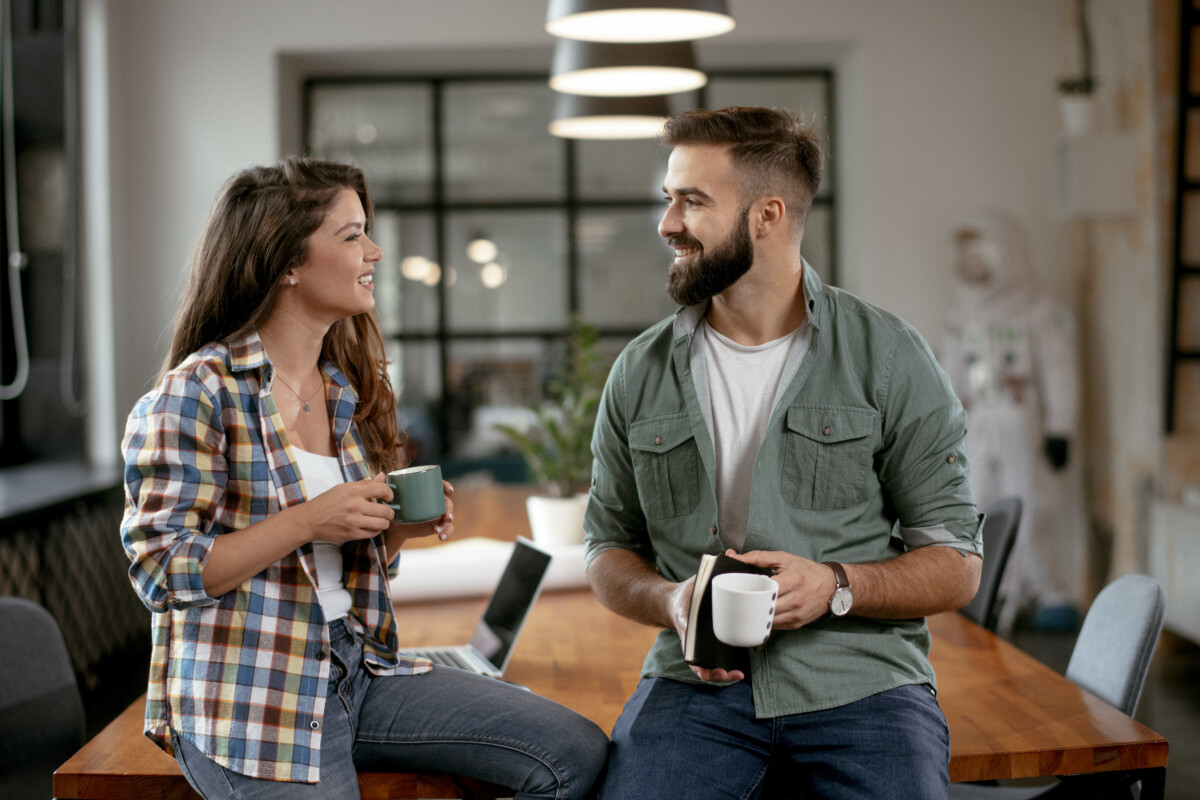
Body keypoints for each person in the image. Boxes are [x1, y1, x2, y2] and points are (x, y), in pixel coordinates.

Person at [120, 156, 608, 800]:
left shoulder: (341, 390)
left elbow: (333, 570)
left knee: (575, 754)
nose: (374, 250)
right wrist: (310, 518)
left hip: (357, 667)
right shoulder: (197, 393)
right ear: (286, 262)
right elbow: (161, 570)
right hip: (251, 697)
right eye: (352, 236)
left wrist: (393, 534)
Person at [583, 107, 983, 799]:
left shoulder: (888, 357)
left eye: (693, 201)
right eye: (668, 198)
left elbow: (956, 565)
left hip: (863, 684)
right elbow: (606, 548)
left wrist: (835, 586)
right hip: (693, 687)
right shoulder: (639, 371)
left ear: (766, 216)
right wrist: (668, 600)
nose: (667, 223)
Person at [940, 211, 1082, 633]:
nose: (975, 262)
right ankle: (991, 592)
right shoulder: (961, 314)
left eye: (983, 252)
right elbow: (949, 372)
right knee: (978, 501)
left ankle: (1043, 590)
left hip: (1023, 417)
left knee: (1030, 503)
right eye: (968, 254)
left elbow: (1059, 369)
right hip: (979, 420)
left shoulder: (1039, 308)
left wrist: (1061, 427)